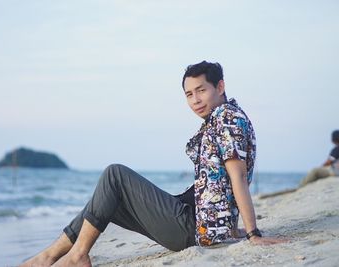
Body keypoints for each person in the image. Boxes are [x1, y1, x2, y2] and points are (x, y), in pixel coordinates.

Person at [20, 61, 284, 267]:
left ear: (221, 87)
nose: (195, 100)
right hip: (197, 219)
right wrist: (229, 228)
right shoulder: (219, 119)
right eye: (189, 94)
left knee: (115, 175)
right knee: (107, 200)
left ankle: (77, 255)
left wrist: (253, 234)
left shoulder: (227, 118)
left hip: (193, 229)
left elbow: (237, 177)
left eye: (201, 90)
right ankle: (47, 258)